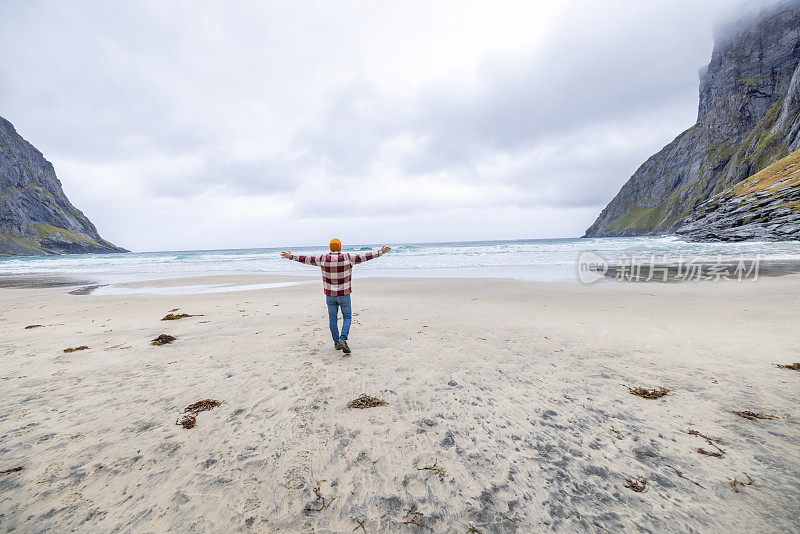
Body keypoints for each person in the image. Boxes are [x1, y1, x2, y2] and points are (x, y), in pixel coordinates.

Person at [280, 239, 391, 354]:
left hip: (330, 295)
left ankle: (336, 343)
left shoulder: (322, 259)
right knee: (347, 317)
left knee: (332, 319)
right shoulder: (348, 258)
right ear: (340, 247)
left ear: (330, 248)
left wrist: (290, 256)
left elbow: (306, 259)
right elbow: (365, 256)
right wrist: (381, 252)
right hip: (344, 294)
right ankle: (342, 339)